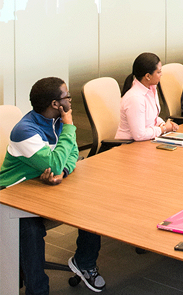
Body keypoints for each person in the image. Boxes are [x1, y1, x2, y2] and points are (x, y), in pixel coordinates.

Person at [0, 77, 106, 293]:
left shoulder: (56, 122)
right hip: (12, 196)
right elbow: (56, 162)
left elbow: (73, 153)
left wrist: (63, 171)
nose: (70, 100)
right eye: (66, 96)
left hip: (42, 189)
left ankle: (84, 263)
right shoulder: (25, 131)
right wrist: (69, 127)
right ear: (55, 104)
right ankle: (38, 290)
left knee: (91, 203)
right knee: (30, 230)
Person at [116, 52, 179, 141]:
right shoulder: (135, 98)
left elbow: (151, 118)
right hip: (128, 146)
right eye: (158, 72)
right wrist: (163, 129)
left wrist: (163, 124)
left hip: (145, 142)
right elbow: (139, 135)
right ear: (148, 76)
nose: (161, 74)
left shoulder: (152, 88)